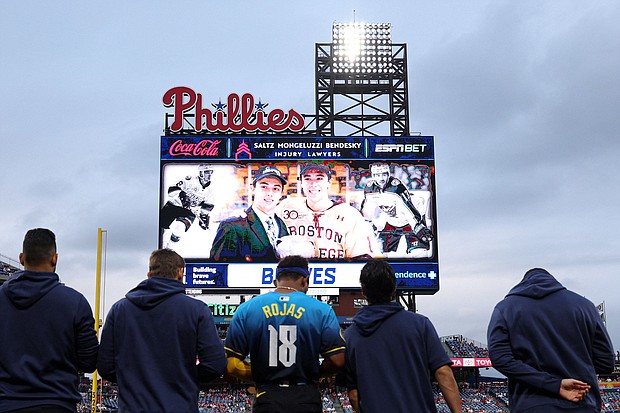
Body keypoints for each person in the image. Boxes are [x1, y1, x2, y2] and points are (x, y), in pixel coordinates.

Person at [97, 248, 227, 413]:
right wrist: (185, 377)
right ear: (180, 273)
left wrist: (132, 379)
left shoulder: (119, 310)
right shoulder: (197, 310)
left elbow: (105, 367)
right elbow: (216, 365)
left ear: (149, 275)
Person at [224, 255, 345, 413]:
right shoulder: (322, 310)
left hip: (267, 397)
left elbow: (232, 366)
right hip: (306, 397)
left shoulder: (246, 309)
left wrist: (261, 375)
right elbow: (337, 361)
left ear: (275, 282)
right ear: (304, 280)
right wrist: (314, 373)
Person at [487, 268, 615, 413]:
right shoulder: (585, 306)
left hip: (530, 405)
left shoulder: (505, 308)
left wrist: (552, 383)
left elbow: (500, 358)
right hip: (582, 401)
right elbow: (606, 363)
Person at [0, 228, 99, 413]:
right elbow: (89, 362)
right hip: (57, 403)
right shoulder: (75, 302)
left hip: (7, 404)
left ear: (21, 258)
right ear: (55, 258)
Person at [343, 259, 461, 413]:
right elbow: (443, 373)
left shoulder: (350, 336)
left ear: (363, 292)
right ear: (394, 288)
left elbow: (353, 395)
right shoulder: (420, 324)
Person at [277, 162, 376, 260]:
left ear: (329, 182)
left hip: (335, 273)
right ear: (301, 182)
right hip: (296, 272)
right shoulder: (286, 207)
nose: (313, 184)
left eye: (319, 178)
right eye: (308, 179)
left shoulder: (349, 214)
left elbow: (360, 258)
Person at [210, 165, 301, 262]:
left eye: (275, 189)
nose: (270, 193)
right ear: (253, 188)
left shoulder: (282, 225)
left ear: (281, 193)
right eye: (264, 187)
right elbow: (218, 270)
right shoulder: (232, 226)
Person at [360, 162, 433, 256]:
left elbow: (408, 209)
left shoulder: (395, 187)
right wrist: (368, 224)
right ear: (373, 176)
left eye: (384, 174)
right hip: (393, 222)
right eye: (378, 175)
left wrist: (417, 226)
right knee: (380, 253)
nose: (381, 178)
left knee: (419, 253)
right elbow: (367, 211)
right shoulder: (370, 189)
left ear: (388, 174)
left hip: (412, 221)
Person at [160, 163, 216, 248]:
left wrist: (204, 217)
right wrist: (182, 195)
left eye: (211, 172)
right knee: (160, 229)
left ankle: (169, 249)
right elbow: (171, 190)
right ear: (201, 173)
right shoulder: (189, 179)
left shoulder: (211, 190)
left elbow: (208, 205)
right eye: (207, 172)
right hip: (173, 205)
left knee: (179, 229)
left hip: (189, 212)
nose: (210, 175)